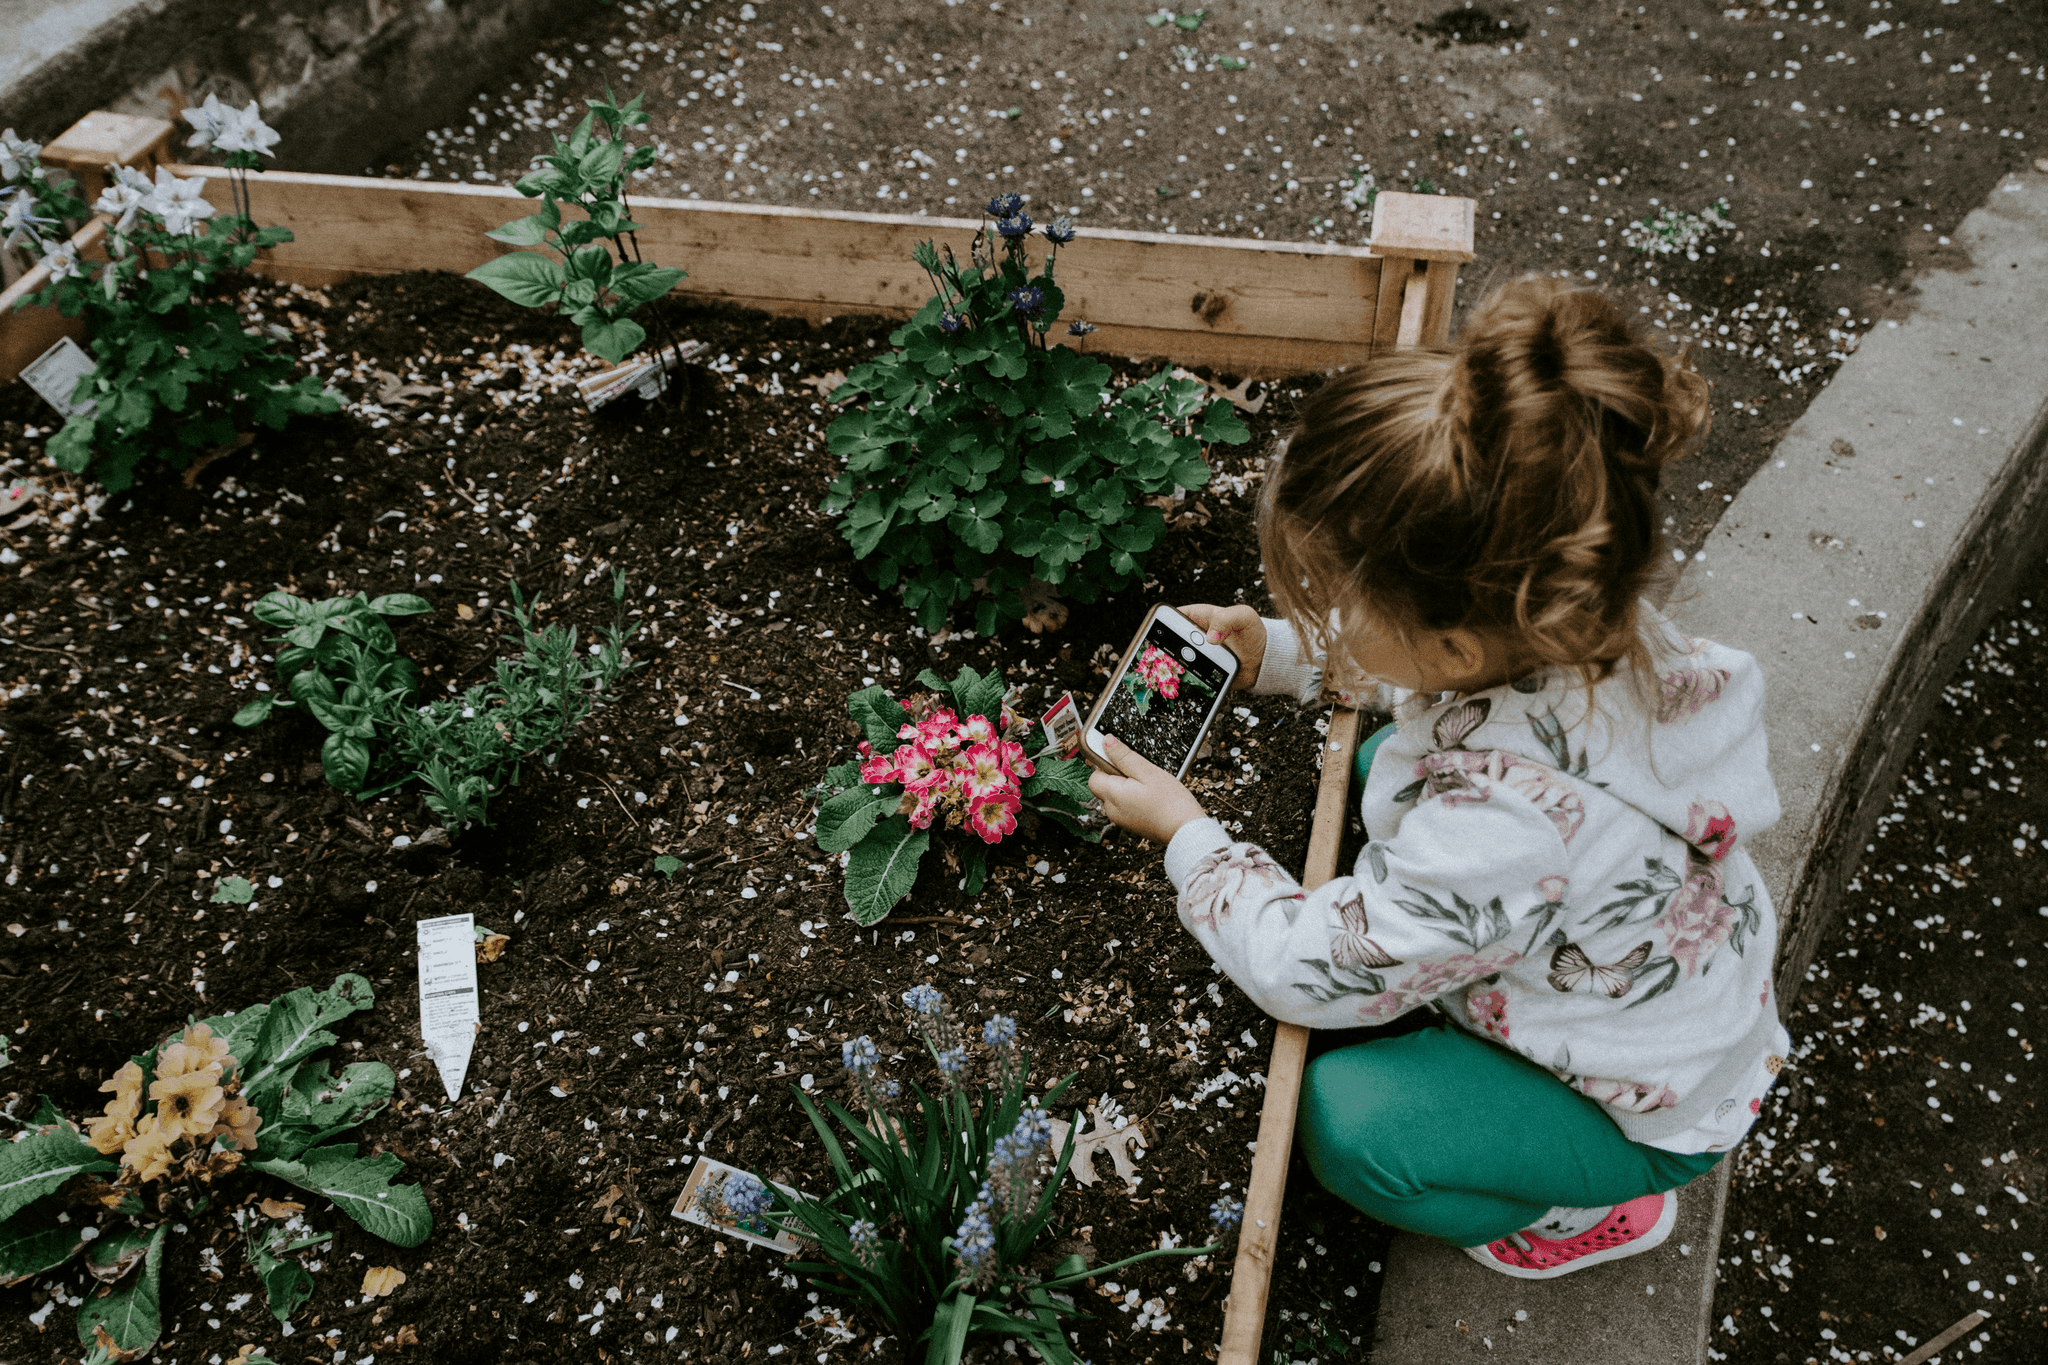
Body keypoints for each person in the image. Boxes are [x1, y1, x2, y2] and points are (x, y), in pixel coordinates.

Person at [1087, 277, 1787, 1279]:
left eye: (1336, 597)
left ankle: (1577, 1210)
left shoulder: (1503, 828)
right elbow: (1431, 675)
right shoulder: (1583, 621)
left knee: (1348, 1125)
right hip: (1659, 995)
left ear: (1454, 644)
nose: (1323, 608)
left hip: (1634, 1104)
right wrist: (1276, 653)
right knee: (1387, 763)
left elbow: (1304, 972)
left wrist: (1189, 836)